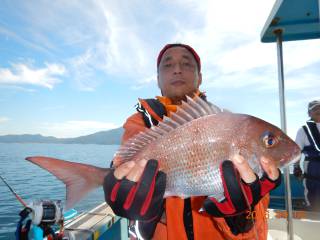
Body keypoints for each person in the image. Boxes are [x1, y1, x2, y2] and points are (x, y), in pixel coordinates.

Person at [103, 43, 281, 239]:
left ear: (200, 77)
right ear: (158, 80)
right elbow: (123, 163)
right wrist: (116, 184)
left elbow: (255, 220)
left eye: (186, 64)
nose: (177, 69)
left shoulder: (228, 125)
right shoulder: (140, 123)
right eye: (168, 65)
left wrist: (243, 217)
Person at [294, 100, 320, 211]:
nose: (318, 110)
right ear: (309, 113)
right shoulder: (303, 130)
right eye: (315, 109)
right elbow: (296, 151)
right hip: (312, 167)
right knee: (312, 191)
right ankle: (312, 209)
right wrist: (296, 167)